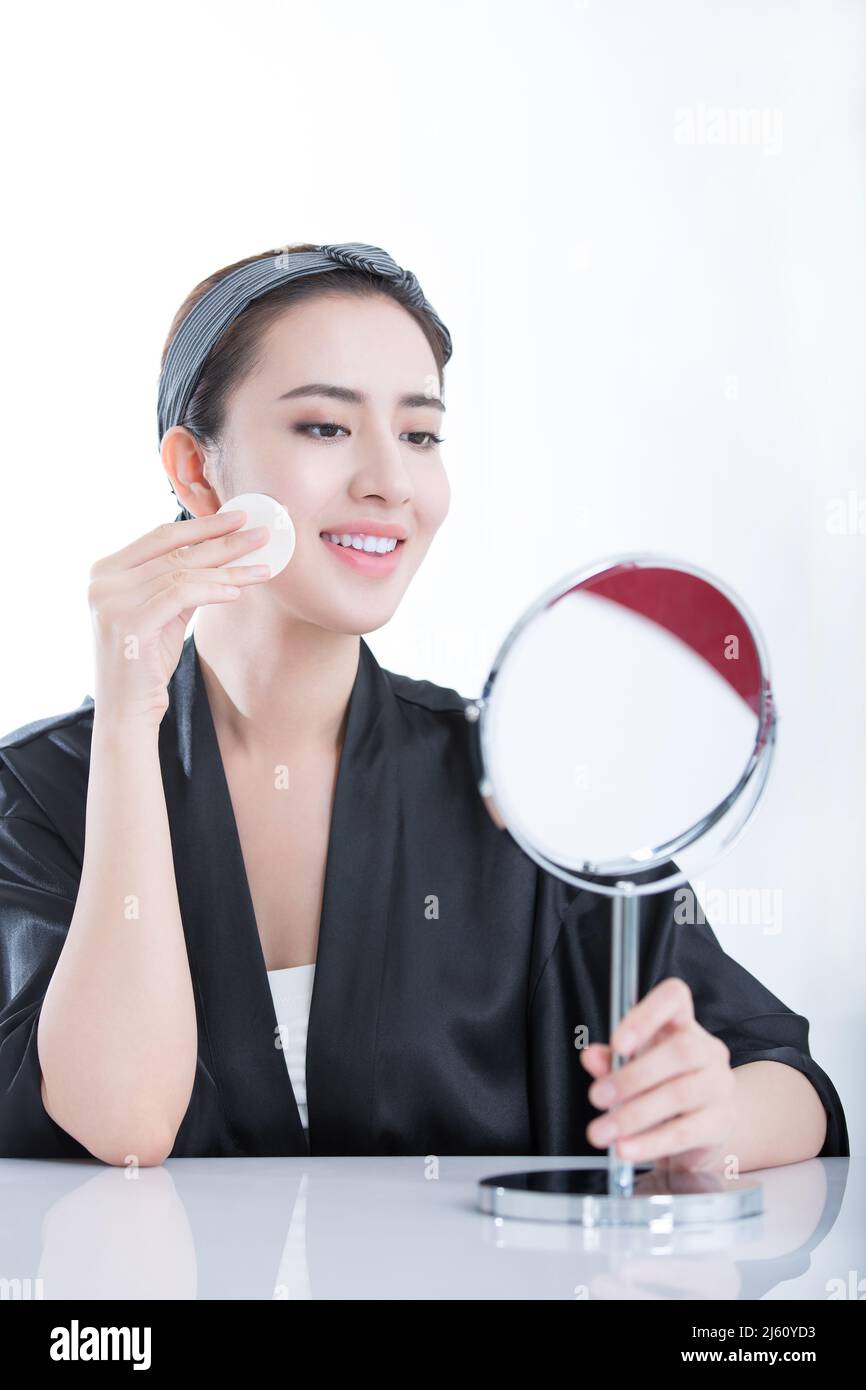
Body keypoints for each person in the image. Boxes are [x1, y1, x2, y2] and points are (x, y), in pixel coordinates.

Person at [0, 242, 849, 1168]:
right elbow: (121, 1121)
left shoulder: (515, 782)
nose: (391, 482)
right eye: (326, 428)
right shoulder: (38, 791)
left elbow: (788, 1080)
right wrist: (128, 721)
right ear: (198, 472)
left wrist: (711, 1116)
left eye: (419, 434)